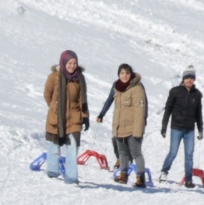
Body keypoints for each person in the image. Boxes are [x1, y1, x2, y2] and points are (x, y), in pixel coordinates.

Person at [96, 63, 149, 187]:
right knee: (122, 153)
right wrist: (101, 114)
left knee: (136, 153)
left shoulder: (137, 87)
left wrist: (138, 129)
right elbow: (109, 101)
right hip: (119, 126)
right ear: (118, 75)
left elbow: (140, 110)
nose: (124, 76)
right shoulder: (116, 87)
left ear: (131, 74)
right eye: (122, 73)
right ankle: (123, 175)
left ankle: (140, 178)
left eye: (127, 73)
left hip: (132, 127)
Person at [43, 50, 90, 184]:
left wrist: (85, 116)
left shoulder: (79, 78)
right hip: (56, 117)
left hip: (74, 118)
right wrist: (54, 107)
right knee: (54, 144)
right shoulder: (54, 77)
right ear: (64, 62)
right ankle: (52, 171)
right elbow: (47, 94)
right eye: (69, 63)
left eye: (74, 63)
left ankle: (71, 177)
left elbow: (83, 99)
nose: (72, 66)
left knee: (73, 147)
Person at [158, 66, 204, 186]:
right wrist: (164, 126)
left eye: (191, 78)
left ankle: (188, 179)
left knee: (189, 155)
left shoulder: (197, 94)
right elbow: (168, 109)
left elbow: (198, 114)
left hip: (189, 130)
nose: (189, 80)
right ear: (183, 79)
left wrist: (200, 130)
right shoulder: (175, 91)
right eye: (187, 78)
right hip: (176, 128)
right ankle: (164, 172)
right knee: (173, 152)